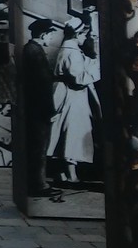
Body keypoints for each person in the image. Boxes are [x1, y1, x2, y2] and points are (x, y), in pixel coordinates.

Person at [47, 19, 101, 184]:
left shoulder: (68, 49)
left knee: (63, 133)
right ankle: (72, 175)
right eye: (84, 34)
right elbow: (78, 78)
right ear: (78, 34)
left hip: (66, 94)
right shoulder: (73, 52)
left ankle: (62, 173)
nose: (85, 38)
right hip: (73, 96)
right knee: (73, 134)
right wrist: (98, 70)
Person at [22, 18, 60, 197]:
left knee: (37, 147)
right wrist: (50, 111)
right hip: (39, 110)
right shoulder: (35, 52)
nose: (52, 38)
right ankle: (39, 185)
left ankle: (37, 182)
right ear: (44, 34)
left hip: (34, 108)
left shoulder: (31, 49)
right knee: (39, 147)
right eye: (51, 34)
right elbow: (42, 85)